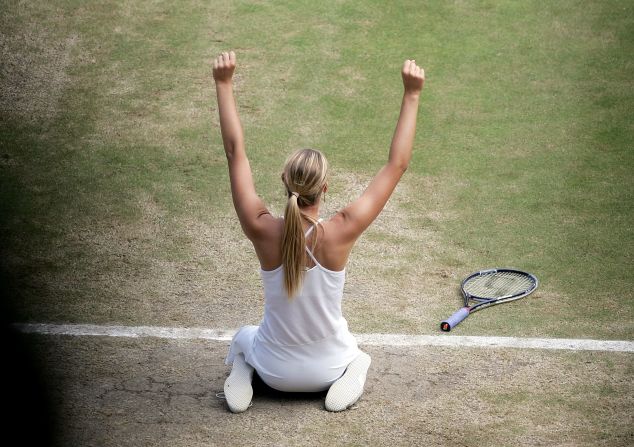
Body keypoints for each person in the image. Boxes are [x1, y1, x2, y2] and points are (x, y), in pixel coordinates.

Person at [212, 51, 424, 413]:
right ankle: (353, 373)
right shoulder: (342, 231)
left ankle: (244, 371)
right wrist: (412, 94)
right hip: (328, 369)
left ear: (284, 182)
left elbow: (235, 153)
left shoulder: (261, 229)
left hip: (274, 372)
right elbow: (397, 164)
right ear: (325, 188)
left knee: (246, 336)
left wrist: (223, 83)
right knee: (357, 353)